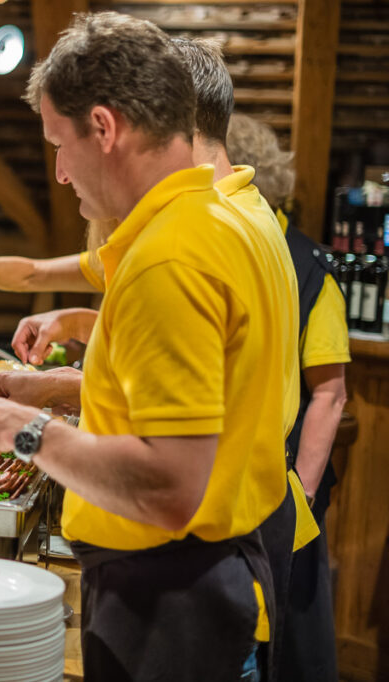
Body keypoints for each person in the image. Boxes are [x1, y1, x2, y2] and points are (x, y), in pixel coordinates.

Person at [0, 13, 299, 680]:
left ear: (104, 128)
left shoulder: (169, 258)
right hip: (217, 576)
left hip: (174, 598)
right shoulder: (219, 218)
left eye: (58, 146)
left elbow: (170, 487)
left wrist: (24, 429)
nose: (62, 174)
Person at [228, 111, 350, 682]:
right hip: (246, 489)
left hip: (286, 489)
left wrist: (297, 490)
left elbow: (328, 394)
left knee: (292, 637)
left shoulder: (308, 267)